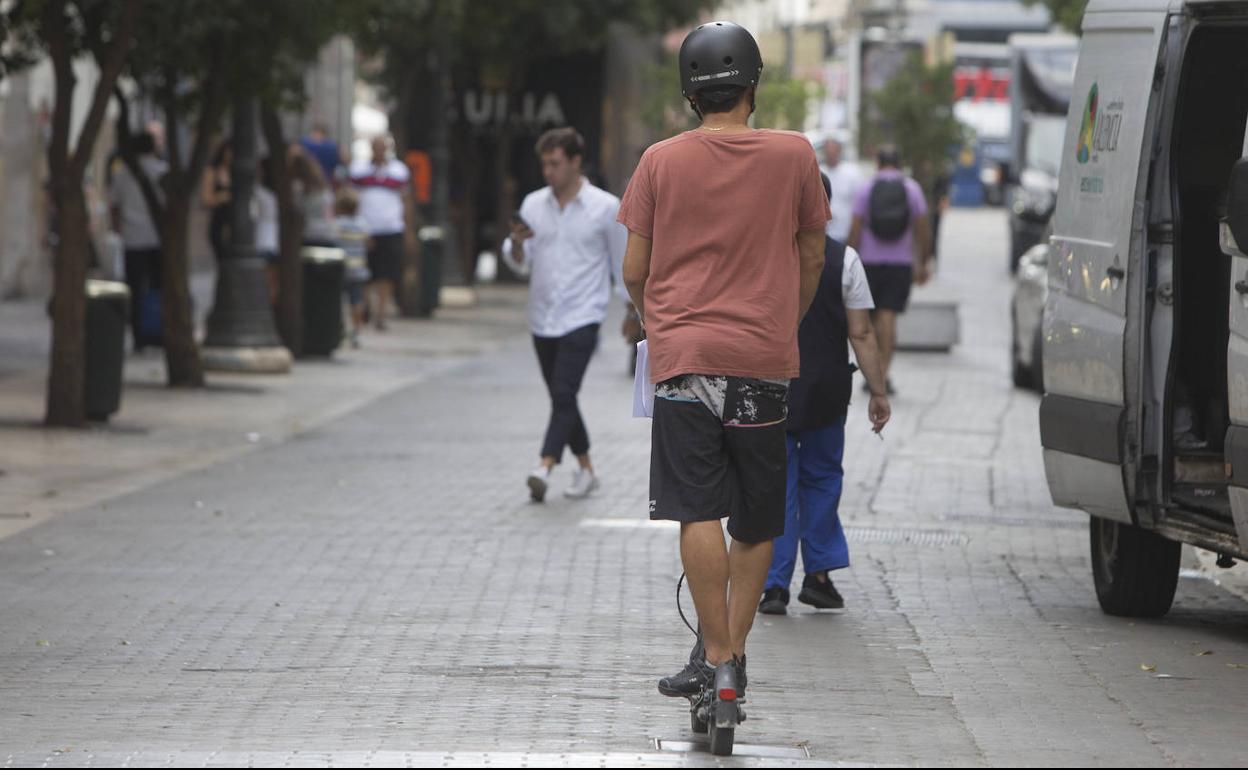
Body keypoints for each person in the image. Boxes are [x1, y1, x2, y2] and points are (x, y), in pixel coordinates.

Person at [618, 21, 828, 699]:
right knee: (759, 517)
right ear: (754, 88)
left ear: (690, 95)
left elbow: (634, 269)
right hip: (763, 362)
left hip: (685, 362)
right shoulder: (796, 156)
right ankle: (732, 655)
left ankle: (712, 656)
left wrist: (662, 324)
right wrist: (779, 324)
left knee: (696, 509)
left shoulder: (659, 161)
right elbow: (813, 253)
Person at [759, 171, 891, 616]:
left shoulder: (763, 256)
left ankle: (773, 585)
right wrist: (878, 390)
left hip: (770, 389)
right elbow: (862, 332)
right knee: (821, 479)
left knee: (775, 485)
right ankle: (818, 577)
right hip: (825, 391)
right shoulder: (845, 260)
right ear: (826, 209)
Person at [502, 127, 627, 502]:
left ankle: (544, 465)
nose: (548, 171)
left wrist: (631, 310)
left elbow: (622, 264)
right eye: (544, 164)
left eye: (555, 163)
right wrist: (518, 248)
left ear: (575, 162)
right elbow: (520, 261)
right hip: (542, 316)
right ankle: (587, 468)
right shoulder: (533, 205)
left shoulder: (605, 207)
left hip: (584, 314)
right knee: (563, 398)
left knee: (563, 391)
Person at [847, 146, 931, 395]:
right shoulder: (911, 188)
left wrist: (848, 260)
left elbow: (855, 228)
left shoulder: (866, 188)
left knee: (869, 320)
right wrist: (923, 262)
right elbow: (923, 228)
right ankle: (884, 373)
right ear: (899, 163)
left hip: (869, 263)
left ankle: (872, 373)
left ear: (878, 163)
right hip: (900, 263)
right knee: (888, 317)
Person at [109, 131, 168, 351]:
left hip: (132, 239)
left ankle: (139, 337)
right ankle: (157, 331)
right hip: (157, 239)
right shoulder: (162, 171)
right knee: (157, 288)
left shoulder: (122, 173)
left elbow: (114, 206)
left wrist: (118, 230)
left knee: (134, 288)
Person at [349, 135, 412, 331]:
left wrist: (408, 228)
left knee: (387, 273)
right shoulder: (358, 170)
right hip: (365, 229)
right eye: (376, 147)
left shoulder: (399, 171)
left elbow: (406, 200)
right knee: (366, 272)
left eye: (382, 147)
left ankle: (381, 313)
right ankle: (366, 305)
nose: (379, 151)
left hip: (391, 228)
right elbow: (351, 197)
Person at [335, 187, 371, 349]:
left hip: (341, 268)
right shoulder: (362, 224)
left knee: (340, 301)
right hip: (358, 268)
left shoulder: (337, 224)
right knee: (356, 301)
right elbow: (369, 242)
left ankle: (340, 328)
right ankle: (357, 332)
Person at [290, 146, 337, 248]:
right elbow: (330, 210)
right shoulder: (323, 187)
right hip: (327, 232)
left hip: (307, 233)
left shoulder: (296, 187)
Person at [821, 136, 863, 243]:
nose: (830, 153)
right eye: (828, 150)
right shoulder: (817, 171)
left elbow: (859, 204)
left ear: (839, 150)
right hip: (823, 234)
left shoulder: (852, 173)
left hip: (845, 233)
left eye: (833, 150)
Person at [201, 141, 232, 263]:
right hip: (220, 223)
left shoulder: (238, 171)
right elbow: (206, 199)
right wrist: (224, 196)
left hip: (236, 223)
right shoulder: (212, 171)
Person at [255, 159, 280, 306]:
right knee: (274, 283)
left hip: (263, 239)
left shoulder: (259, 191)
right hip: (277, 241)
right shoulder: (283, 191)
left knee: (264, 282)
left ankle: (264, 308)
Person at [300, 122, 344, 187]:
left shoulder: (305, 143)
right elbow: (345, 159)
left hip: (308, 184)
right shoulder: (332, 146)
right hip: (325, 183)